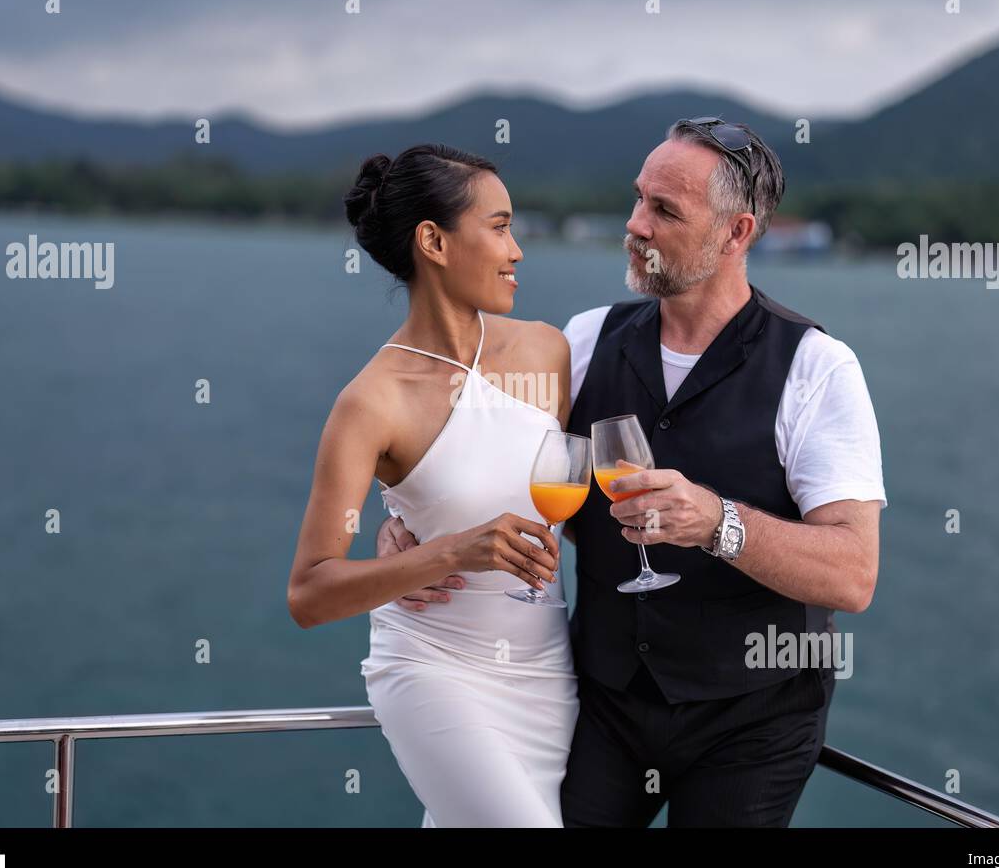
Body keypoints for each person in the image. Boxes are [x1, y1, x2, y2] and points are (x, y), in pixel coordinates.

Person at [379, 118, 887, 826]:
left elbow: (853, 573)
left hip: (754, 724)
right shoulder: (585, 339)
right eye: (638, 199)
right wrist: (410, 528)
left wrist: (718, 522)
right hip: (607, 703)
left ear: (736, 234)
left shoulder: (817, 369)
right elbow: (477, 457)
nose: (634, 225)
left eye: (664, 211)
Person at [287, 143, 578, 827]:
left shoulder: (548, 351)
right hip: (435, 671)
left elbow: (559, 497)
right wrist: (444, 554)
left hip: (545, 675)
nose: (518, 250)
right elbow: (309, 593)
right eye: (500, 226)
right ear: (433, 241)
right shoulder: (372, 402)